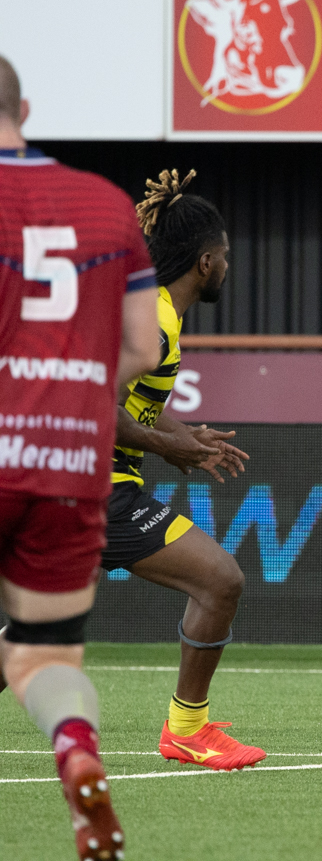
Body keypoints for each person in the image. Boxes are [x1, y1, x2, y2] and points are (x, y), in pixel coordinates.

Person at [0, 54, 161, 861]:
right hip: (67, 460)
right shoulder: (104, 204)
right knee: (42, 654)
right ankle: (73, 745)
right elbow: (143, 344)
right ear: (23, 106)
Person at [99, 169, 263, 771]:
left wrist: (182, 434)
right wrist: (165, 448)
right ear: (204, 261)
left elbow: (138, 399)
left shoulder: (158, 311)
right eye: (223, 257)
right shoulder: (156, 318)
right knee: (219, 579)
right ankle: (187, 730)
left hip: (76, 484)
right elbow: (95, 398)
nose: (226, 266)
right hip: (95, 487)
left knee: (37, 629)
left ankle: (186, 728)